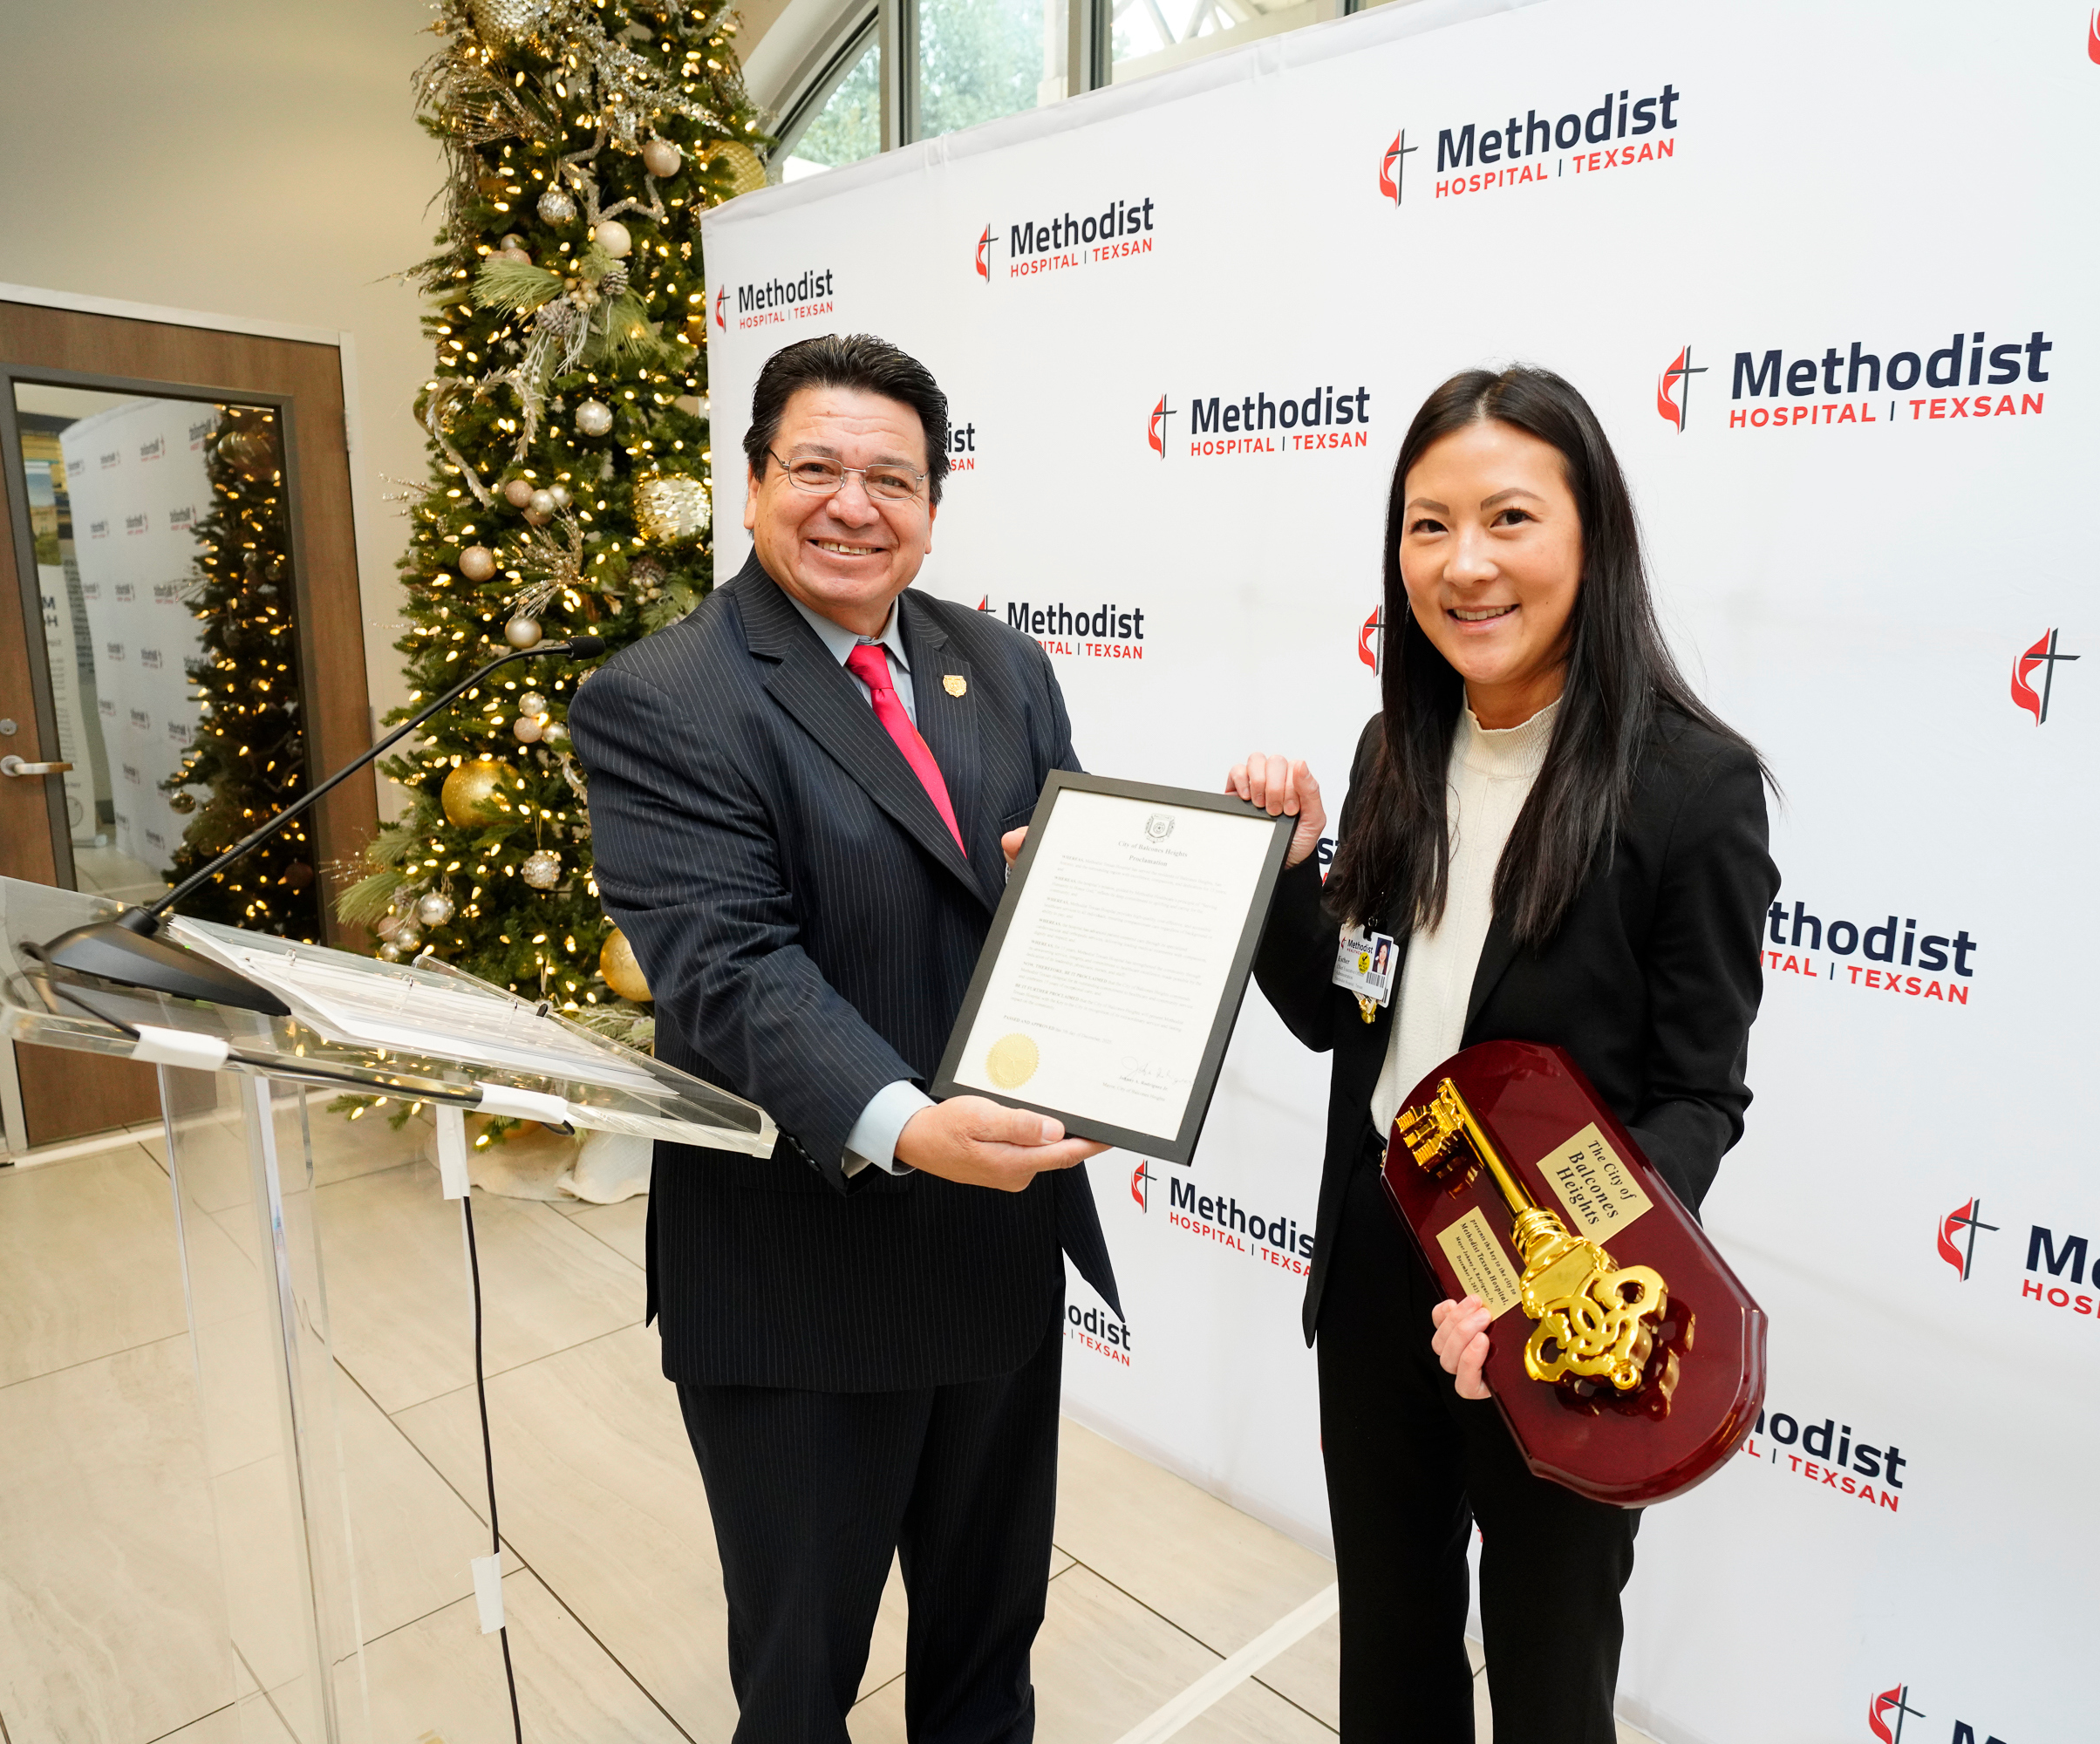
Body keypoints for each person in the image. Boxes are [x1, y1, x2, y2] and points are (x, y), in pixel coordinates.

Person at [570, 332, 1116, 1742]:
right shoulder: (667, 695)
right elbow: (728, 965)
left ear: (934, 505)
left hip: (997, 1252)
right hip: (799, 1272)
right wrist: (906, 1125)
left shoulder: (999, 663)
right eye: (815, 467)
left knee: (990, 1653)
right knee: (802, 1673)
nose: (853, 505)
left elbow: (1056, 898)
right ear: (752, 485)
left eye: (893, 477)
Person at [1232, 365, 1777, 1742]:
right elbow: (1343, 1017)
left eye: (1509, 519)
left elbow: (1701, 1095)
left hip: (1566, 1308)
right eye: (1427, 525)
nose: (1465, 564)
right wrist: (1287, 877)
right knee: (1395, 1654)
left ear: (1592, 538)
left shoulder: (1690, 788)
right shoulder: (1393, 750)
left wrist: (1550, 1290)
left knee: (1549, 1675)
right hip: (1377, 1272)